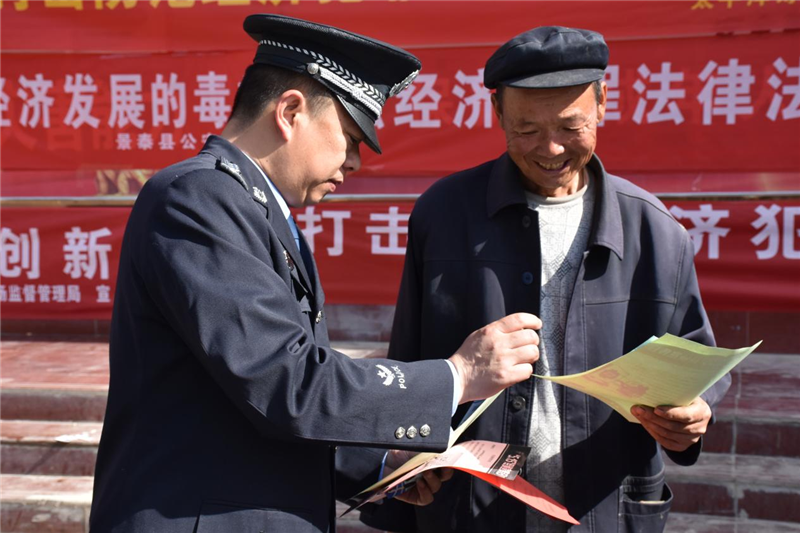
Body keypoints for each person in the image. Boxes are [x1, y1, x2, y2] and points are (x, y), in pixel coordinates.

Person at [89, 14, 543, 533]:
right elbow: (285, 381)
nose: (354, 162)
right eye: (350, 137)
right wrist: (456, 376)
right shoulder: (199, 197)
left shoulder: (254, 209)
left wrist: (377, 464)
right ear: (290, 112)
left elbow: (250, 399)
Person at [359, 26, 731, 533]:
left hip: (605, 508)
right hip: (472, 510)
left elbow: (696, 361)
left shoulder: (655, 231)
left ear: (602, 103)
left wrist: (694, 412)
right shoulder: (444, 216)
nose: (551, 148)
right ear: (497, 113)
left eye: (570, 126)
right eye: (527, 129)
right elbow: (410, 363)